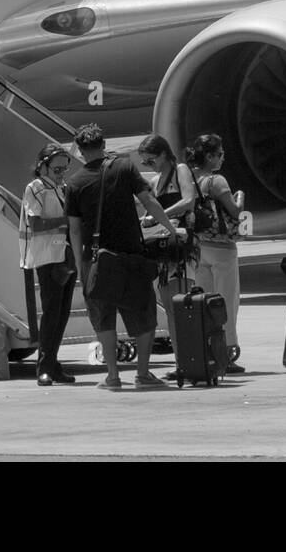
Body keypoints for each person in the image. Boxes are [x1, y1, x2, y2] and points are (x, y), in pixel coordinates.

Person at [66, 124, 181, 390]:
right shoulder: (124, 167)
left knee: (103, 316)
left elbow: (74, 229)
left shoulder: (74, 183)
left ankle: (113, 376)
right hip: (130, 254)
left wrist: (80, 266)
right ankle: (142, 374)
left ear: (80, 151)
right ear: (104, 144)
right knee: (143, 312)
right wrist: (170, 228)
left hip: (95, 258)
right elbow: (150, 202)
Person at [137, 134, 198, 381]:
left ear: (163, 154)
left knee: (182, 304)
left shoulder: (179, 169)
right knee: (171, 309)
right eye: (145, 163)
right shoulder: (157, 179)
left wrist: (158, 215)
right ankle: (181, 359)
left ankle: (190, 359)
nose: (149, 166)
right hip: (165, 250)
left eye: (150, 160)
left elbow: (188, 200)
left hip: (181, 246)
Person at [19, 144, 77, 386]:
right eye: (56, 168)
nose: (61, 172)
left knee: (62, 314)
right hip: (47, 256)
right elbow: (36, 223)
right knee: (52, 312)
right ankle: (44, 366)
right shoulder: (36, 188)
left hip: (65, 254)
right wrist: (68, 221)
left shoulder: (63, 187)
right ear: (43, 166)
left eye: (64, 168)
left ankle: (52, 365)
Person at [188, 133, 246, 373]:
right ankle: (228, 352)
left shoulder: (189, 178)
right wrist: (240, 197)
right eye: (220, 154)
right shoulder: (216, 181)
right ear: (210, 156)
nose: (222, 159)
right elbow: (234, 212)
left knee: (205, 302)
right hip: (223, 249)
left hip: (199, 248)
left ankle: (209, 352)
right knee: (227, 303)